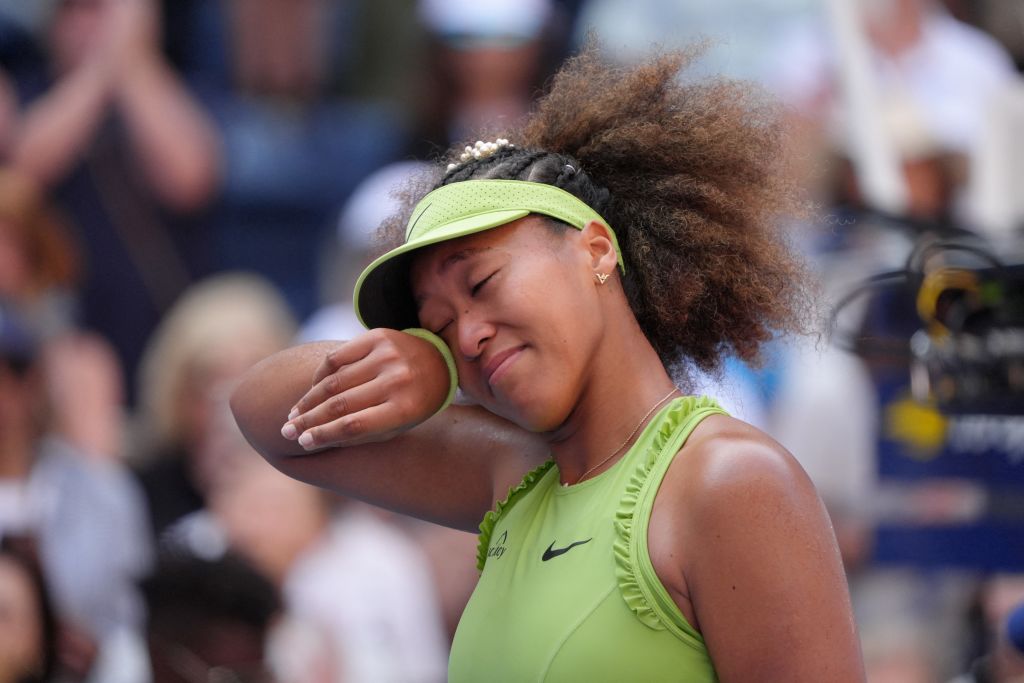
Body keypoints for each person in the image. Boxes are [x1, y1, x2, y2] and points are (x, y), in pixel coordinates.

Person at [232, 46, 865, 681]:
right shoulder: (514, 474)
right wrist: (432, 366)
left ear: (594, 251)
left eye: (481, 285)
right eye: (440, 324)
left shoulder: (730, 481)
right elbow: (263, 413)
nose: (468, 336)